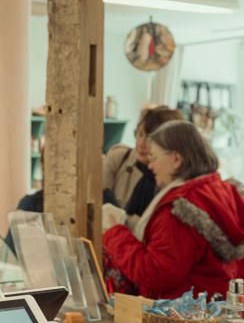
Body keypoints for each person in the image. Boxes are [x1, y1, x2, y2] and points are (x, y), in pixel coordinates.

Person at [103, 120, 244, 299]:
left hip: (181, 316)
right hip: (215, 310)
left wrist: (115, 233)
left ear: (176, 159)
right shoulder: (221, 191)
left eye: (154, 157)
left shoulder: (180, 210)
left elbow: (155, 274)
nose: (150, 165)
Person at [102, 105, 184, 221]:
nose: (141, 143)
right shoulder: (119, 157)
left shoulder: (171, 179)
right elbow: (99, 199)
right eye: (140, 134)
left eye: (150, 138)